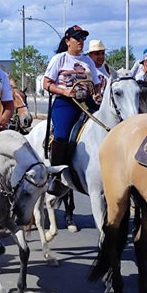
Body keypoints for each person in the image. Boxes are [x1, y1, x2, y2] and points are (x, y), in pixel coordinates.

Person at [42, 25, 102, 196]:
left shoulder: (88, 61)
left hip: (87, 101)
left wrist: (97, 94)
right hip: (66, 102)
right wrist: (65, 91)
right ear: (68, 41)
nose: (81, 42)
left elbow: (96, 83)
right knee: (62, 134)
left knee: (106, 124)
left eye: (83, 38)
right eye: (77, 38)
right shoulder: (60, 59)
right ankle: (55, 175)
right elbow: (46, 83)